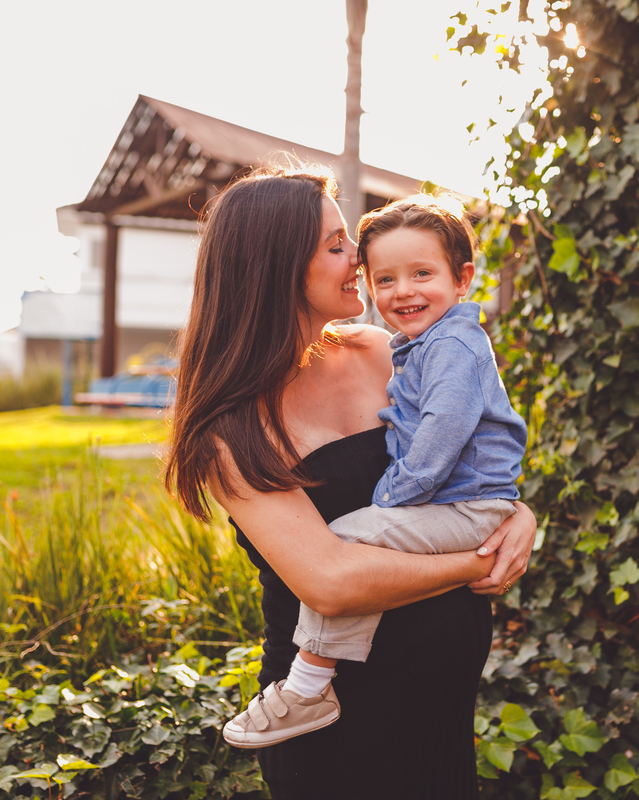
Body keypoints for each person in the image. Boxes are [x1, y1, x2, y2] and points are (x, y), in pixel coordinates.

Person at [163, 165, 536, 800]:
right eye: (338, 246)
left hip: (440, 704)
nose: (358, 261)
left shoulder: (385, 352)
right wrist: (479, 556)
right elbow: (333, 583)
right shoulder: (228, 430)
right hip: (339, 726)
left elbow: (464, 446)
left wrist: (514, 513)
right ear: (277, 266)